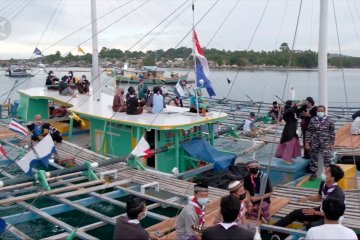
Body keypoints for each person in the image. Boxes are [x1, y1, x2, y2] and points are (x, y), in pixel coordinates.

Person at [274, 164, 345, 232]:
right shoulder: (323, 183)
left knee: (312, 227)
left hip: (332, 218)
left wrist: (315, 212)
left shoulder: (337, 195)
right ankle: (273, 229)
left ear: (333, 177)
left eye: (326, 173)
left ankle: (308, 223)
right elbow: (320, 197)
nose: (323, 174)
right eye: (324, 171)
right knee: (296, 213)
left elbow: (332, 214)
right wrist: (307, 198)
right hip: (321, 210)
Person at [305, 105, 335, 180]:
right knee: (313, 158)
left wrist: (332, 143)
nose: (320, 112)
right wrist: (307, 142)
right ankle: (313, 173)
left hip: (325, 142)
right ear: (316, 111)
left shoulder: (329, 120)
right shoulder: (313, 120)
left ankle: (328, 174)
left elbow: (332, 132)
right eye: (319, 111)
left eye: (322, 111)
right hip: (314, 141)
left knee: (327, 159)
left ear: (324, 111)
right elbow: (309, 132)